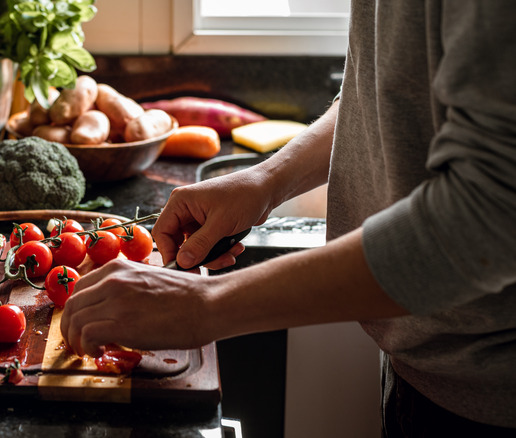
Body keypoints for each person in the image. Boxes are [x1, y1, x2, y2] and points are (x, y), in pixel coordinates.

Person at [61, 1, 516, 436]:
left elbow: (489, 215)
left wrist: (207, 304)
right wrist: (266, 180)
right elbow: (381, 93)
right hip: (425, 364)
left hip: (490, 402)